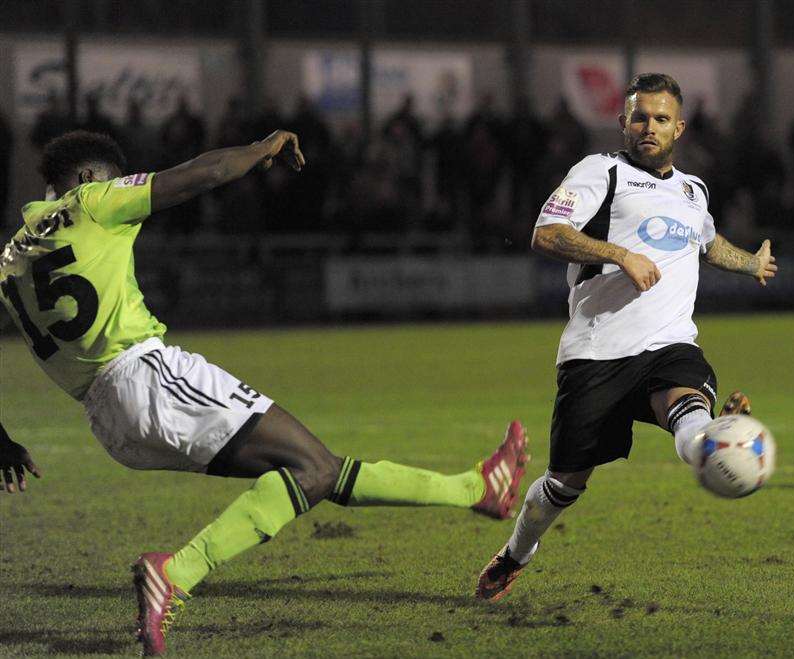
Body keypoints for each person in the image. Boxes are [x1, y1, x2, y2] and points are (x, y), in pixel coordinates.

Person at [0, 129, 530, 655]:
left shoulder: (10, 258)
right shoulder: (92, 200)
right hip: (147, 377)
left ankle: (475, 489)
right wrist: (260, 149)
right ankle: (176, 571)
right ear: (90, 177)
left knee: (313, 469)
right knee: (312, 469)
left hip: (109, 423)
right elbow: (198, 175)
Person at [475, 73, 777, 601]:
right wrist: (620, 254)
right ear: (623, 123)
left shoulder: (693, 189)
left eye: (661, 119)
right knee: (565, 484)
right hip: (597, 353)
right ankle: (518, 552)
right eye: (639, 117)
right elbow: (546, 234)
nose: (649, 127)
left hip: (670, 346)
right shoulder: (601, 172)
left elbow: (707, 242)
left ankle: (715, 436)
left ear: (679, 127)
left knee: (689, 410)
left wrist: (751, 262)